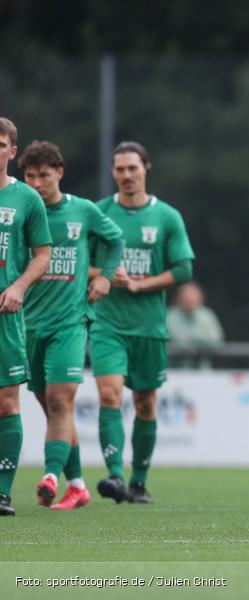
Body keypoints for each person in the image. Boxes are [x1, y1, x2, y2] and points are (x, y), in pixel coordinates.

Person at [19, 140, 123, 510]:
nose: (36, 183)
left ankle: (49, 476)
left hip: (70, 323)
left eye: (43, 176)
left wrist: (106, 277)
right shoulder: (21, 213)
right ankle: (77, 485)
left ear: (59, 173)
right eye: (29, 176)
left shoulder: (83, 210)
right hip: (27, 324)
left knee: (60, 400)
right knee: (52, 409)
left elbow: (116, 240)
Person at [90, 141, 195, 504]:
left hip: (150, 327)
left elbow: (183, 269)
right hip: (107, 323)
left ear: (146, 168)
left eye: (132, 168)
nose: (126, 175)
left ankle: (139, 482)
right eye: (119, 169)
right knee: (108, 394)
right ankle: (115, 477)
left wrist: (141, 283)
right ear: (113, 173)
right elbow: (76, 263)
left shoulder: (167, 216)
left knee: (146, 403)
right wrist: (104, 274)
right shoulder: (99, 213)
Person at [0, 118, 52, 517]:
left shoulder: (27, 200)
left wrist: (18, 287)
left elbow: (42, 256)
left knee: (6, 404)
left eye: (1, 144)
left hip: (5, 316)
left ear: (12, 152)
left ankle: (1, 492)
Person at [167, 281, 224, 369]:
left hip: (202, 372)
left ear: (200, 298)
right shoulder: (170, 317)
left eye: (193, 296)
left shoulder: (207, 315)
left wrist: (192, 340)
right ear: (179, 298)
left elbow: (217, 343)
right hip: (176, 372)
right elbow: (179, 343)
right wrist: (202, 340)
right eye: (186, 297)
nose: (189, 299)